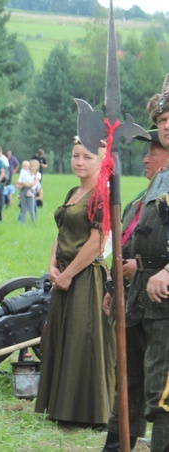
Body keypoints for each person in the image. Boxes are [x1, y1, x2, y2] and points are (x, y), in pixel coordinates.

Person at [35, 138, 115, 427]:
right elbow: (62, 232)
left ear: (101, 161)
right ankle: (60, 406)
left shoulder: (100, 194)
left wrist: (69, 275)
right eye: (75, 155)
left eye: (87, 157)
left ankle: (87, 412)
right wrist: (52, 265)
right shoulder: (74, 192)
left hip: (86, 277)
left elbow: (96, 242)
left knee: (84, 340)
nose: (79, 161)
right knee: (64, 338)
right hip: (65, 275)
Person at [100, 128, 169, 450]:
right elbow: (124, 247)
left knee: (160, 388)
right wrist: (114, 287)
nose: (145, 158)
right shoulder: (141, 200)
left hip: (163, 306)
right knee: (128, 385)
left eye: (152, 152)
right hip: (135, 301)